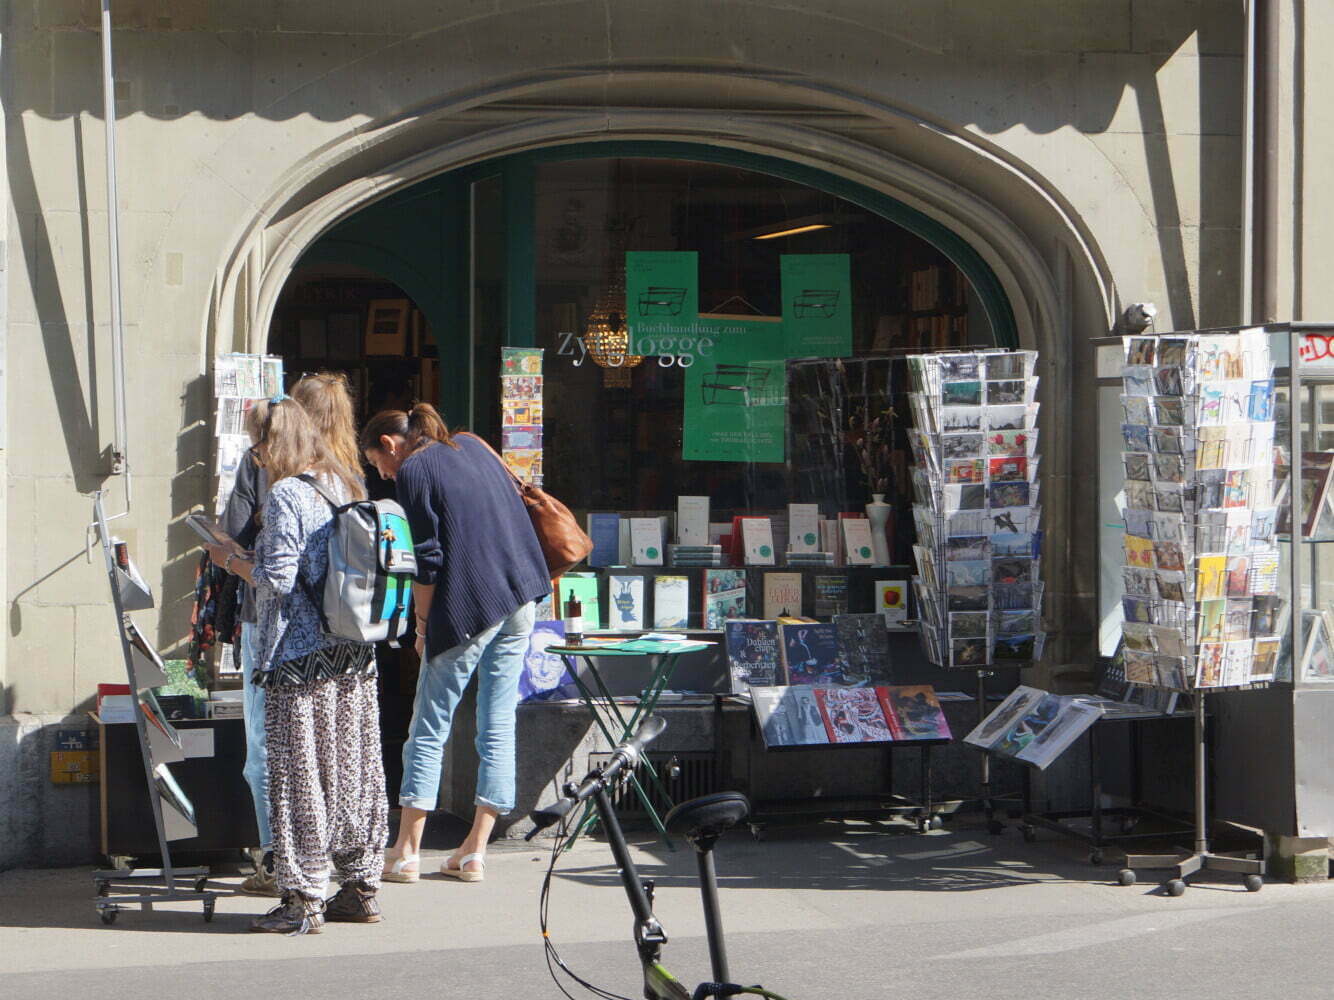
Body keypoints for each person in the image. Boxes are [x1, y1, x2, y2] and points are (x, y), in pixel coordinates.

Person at [207, 396, 387, 935]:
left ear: (273, 443)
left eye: (258, 445)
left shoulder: (288, 495)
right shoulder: (346, 482)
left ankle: (302, 899)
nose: (256, 456)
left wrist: (232, 560)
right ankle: (360, 887)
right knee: (354, 772)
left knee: (299, 776)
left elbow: (277, 578)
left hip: (298, 657)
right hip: (354, 652)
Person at [361, 404, 550, 884]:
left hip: (469, 606)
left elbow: (427, 561)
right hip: (521, 593)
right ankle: (474, 851)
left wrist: (421, 627)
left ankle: (405, 850)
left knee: (428, 725)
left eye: (378, 465)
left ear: (390, 444)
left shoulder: (416, 469)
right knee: (497, 722)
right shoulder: (470, 446)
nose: (382, 475)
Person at [217, 400, 276, 896]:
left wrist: (226, 558)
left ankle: (274, 857)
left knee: (261, 748)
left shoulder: (257, 465)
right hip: (332, 636)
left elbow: (231, 540)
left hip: (268, 622)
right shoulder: (336, 472)